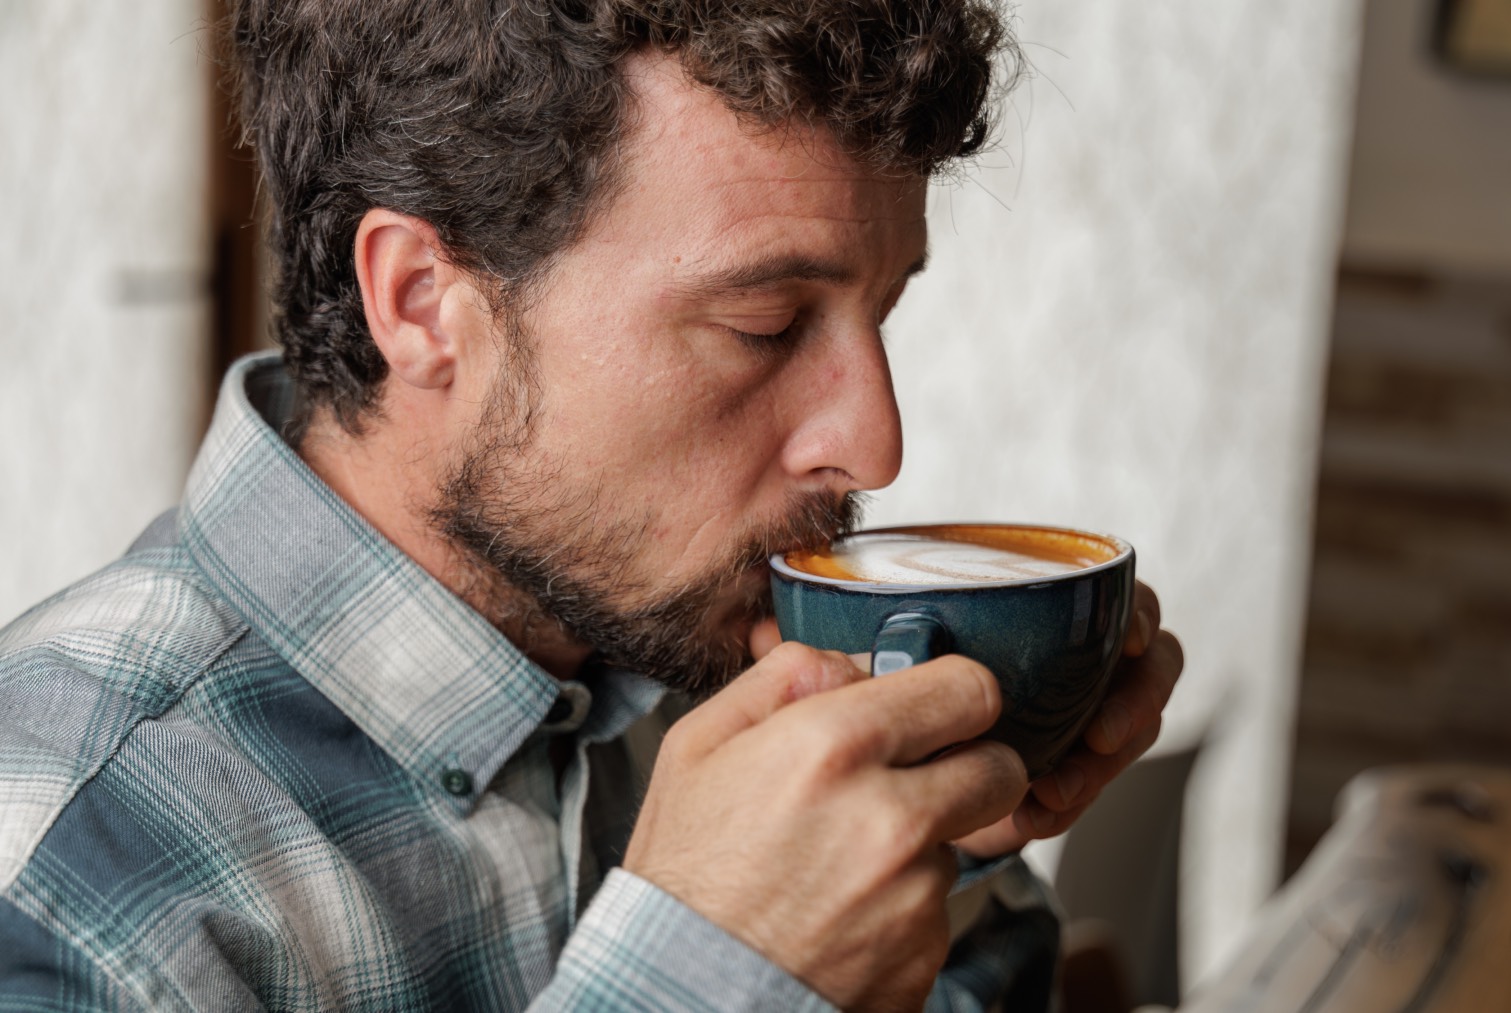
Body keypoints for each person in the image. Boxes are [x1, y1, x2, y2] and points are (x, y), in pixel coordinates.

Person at [0, 1, 1185, 1009]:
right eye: (766, 324)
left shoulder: (694, 645)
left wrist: (941, 838)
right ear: (420, 301)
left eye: (882, 312)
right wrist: (707, 979)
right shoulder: (68, 884)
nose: (876, 445)